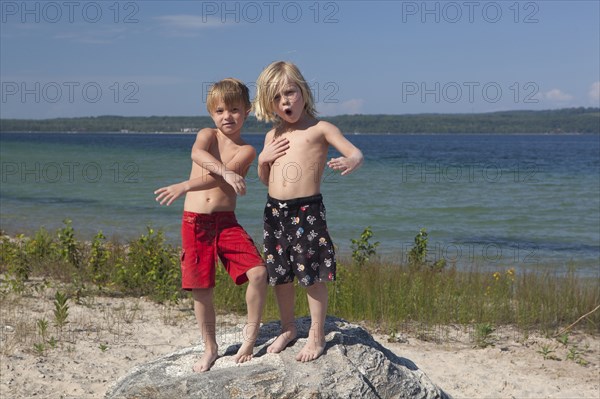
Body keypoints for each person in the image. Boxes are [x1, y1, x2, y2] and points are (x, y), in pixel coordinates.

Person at [154, 78, 267, 372]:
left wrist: (195, 182)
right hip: (195, 223)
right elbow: (198, 156)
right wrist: (214, 178)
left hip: (226, 222)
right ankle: (210, 347)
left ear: (248, 110)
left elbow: (221, 177)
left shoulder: (247, 150)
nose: (226, 116)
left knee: (258, 273)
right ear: (211, 113)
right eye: (219, 110)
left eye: (234, 109)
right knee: (201, 288)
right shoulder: (206, 135)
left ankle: (250, 338)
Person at [254, 61, 363, 362]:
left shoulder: (320, 128)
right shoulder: (272, 136)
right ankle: (288, 328)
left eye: (289, 92)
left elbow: (354, 151)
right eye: (276, 98)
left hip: (306, 211)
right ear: (269, 104)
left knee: (311, 274)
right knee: (281, 274)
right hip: (274, 211)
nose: (285, 101)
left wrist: (353, 160)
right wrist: (262, 159)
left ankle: (316, 335)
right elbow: (266, 179)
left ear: (303, 90)